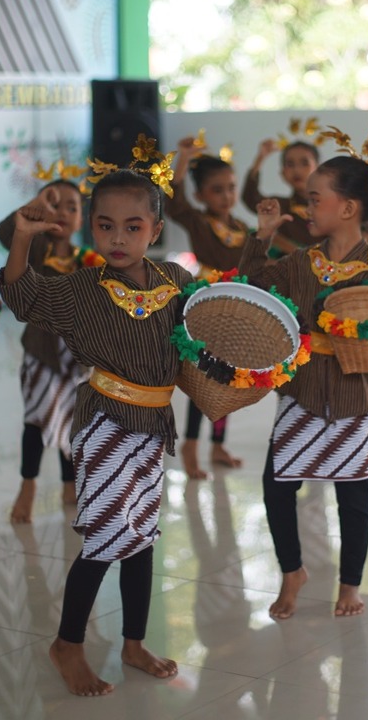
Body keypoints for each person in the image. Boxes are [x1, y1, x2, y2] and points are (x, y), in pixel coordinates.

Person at [0, 163, 189, 697]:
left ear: (155, 228)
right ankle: (68, 646)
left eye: (133, 226)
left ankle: (132, 643)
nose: (118, 238)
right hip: (104, 423)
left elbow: (206, 332)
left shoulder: (177, 282)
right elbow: (22, 297)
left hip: (153, 425)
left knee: (142, 538)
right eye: (105, 226)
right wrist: (21, 238)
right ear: (91, 230)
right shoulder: (81, 288)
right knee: (106, 538)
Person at [238, 144, 368, 619]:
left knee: (354, 495)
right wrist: (260, 237)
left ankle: (350, 585)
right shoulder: (300, 263)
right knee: (277, 486)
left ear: (347, 208)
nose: (306, 207)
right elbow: (253, 284)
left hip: (354, 396)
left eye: (314, 197)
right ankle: (291, 573)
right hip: (300, 394)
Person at [0, 174, 101, 521]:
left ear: (81, 219)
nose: (63, 213)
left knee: (74, 422)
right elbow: (4, 234)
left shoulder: (89, 262)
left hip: (78, 359)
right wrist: (37, 208)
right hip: (41, 355)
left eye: (71, 208)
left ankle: (71, 485)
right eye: (54, 205)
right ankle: (28, 488)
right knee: (37, 420)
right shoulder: (35, 252)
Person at [167, 134, 249, 478]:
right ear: (201, 195)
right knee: (204, 377)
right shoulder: (199, 222)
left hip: (235, 305)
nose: (227, 196)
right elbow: (173, 202)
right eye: (218, 189)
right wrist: (183, 159)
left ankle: (217, 446)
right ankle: (189, 444)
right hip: (205, 304)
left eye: (231, 187)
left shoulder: (243, 227)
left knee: (227, 377)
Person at [242, 133, 321, 253]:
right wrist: (260, 158)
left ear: (318, 169)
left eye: (304, 163)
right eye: (290, 164)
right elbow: (250, 198)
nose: (297, 170)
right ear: (282, 172)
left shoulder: (331, 205)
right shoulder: (279, 206)